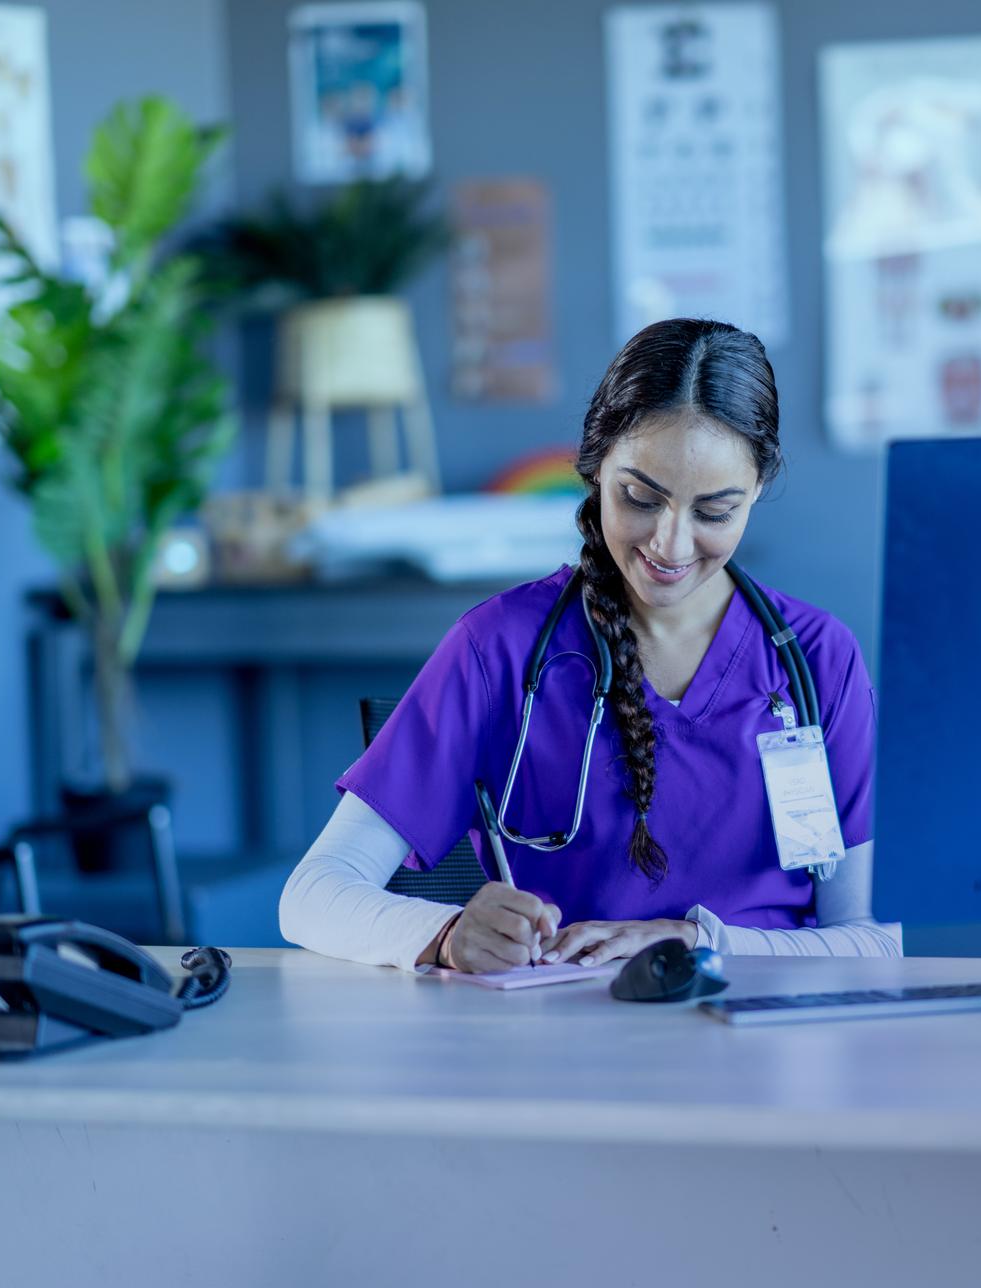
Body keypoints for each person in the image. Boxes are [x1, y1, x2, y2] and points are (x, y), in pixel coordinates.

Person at [281, 318, 899, 971]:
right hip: (566, 1047)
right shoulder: (501, 647)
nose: (670, 543)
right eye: (640, 497)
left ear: (757, 491)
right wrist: (448, 932)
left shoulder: (817, 660)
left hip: (772, 1048)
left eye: (714, 512)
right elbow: (312, 895)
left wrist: (696, 942)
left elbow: (875, 942)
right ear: (596, 466)